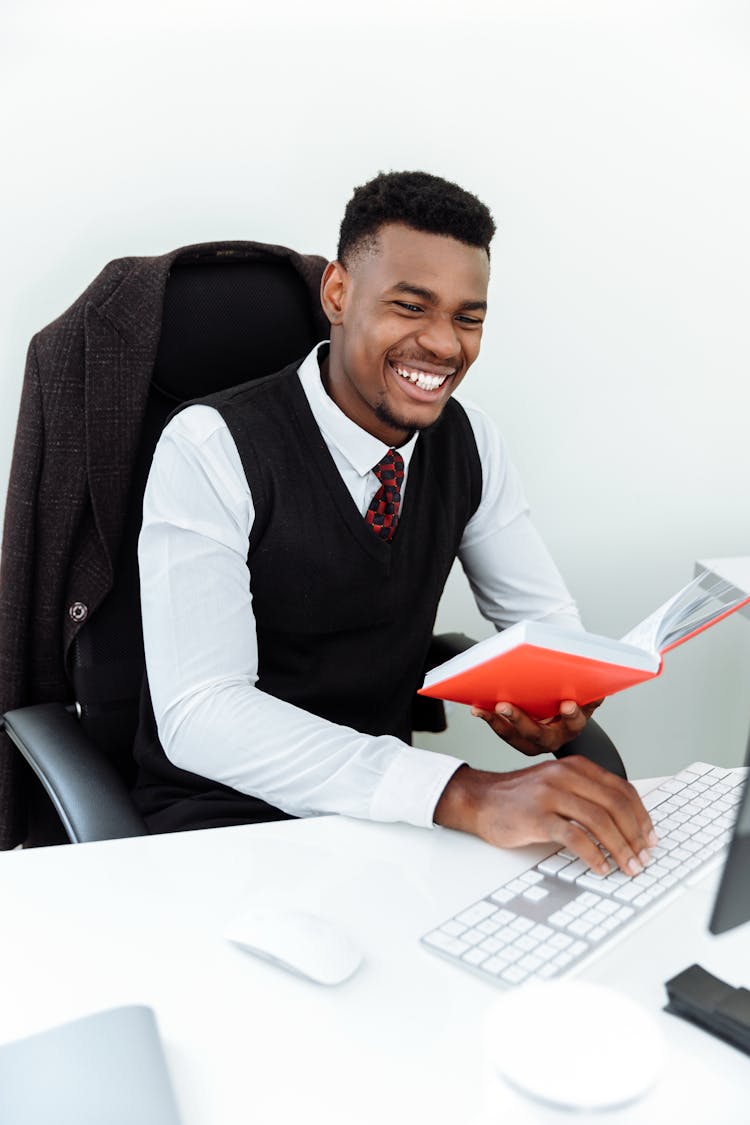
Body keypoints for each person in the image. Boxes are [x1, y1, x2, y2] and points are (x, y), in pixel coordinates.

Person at [134, 170, 656, 879]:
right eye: (412, 306)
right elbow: (202, 714)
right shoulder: (210, 446)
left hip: (383, 828)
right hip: (223, 828)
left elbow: (547, 627)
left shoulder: (472, 444)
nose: (443, 345)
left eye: (468, 318)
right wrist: (459, 791)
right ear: (339, 294)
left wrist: (556, 700)